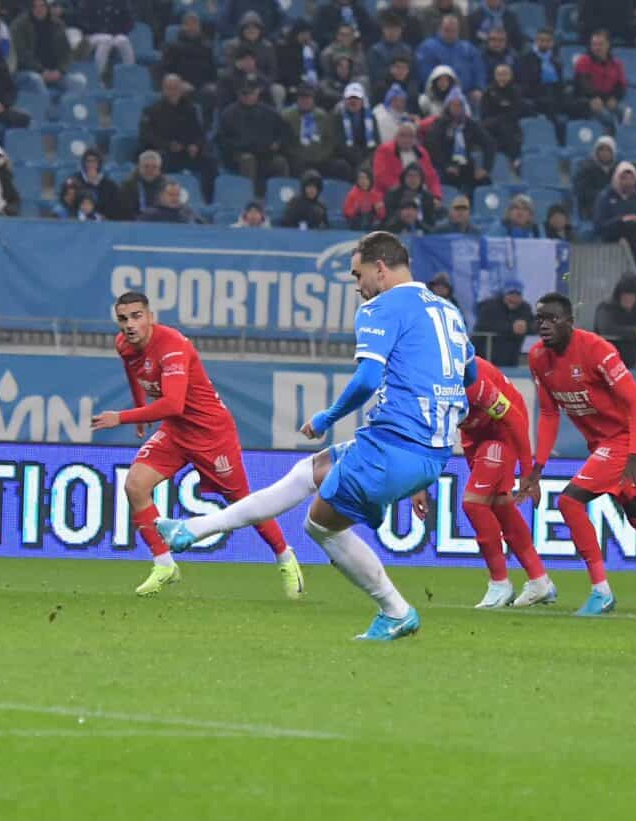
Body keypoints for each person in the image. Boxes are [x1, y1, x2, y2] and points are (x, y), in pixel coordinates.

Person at [156, 232, 476, 641]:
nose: (357, 286)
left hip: (395, 444)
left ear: (380, 269)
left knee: (320, 527)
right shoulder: (449, 312)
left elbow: (366, 380)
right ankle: (193, 530)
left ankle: (395, 610)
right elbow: (469, 375)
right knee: (307, 472)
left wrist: (327, 417)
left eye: (358, 275)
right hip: (430, 450)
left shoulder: (381, 307)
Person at [90, 291, 303, 599]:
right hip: (176, 433)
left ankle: (285, 557)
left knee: (242, 503)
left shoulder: (172, 347)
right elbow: (133, 372)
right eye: (123, 319)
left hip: (210, 434)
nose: (130, 325)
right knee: (135, 485)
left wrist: (121, 417)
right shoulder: (123, 344)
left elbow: (174, 404)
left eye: (137, 316)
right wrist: (139, 414)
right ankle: (164, 565)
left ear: (151, 317)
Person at [518, 293, 636, 616]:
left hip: (626, 438)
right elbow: (549, 415)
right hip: (603, 444)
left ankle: (601, 592)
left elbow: (635, 403)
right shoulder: (538, 358)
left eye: (552, 319)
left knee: (568, 501)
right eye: (540, 319)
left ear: (570, 322)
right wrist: (538, 466)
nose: (544, 325)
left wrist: (634, 455)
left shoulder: (597, 350)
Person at [426, 355, 555, 610]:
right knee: (500, 506)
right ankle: (540, 580)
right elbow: (429, 434)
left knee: (474, 503)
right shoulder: (424, 383)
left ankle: (500, 584)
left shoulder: (473, 381)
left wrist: (528, 472)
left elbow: (514, 419)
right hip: (474, 433)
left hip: (501, 429)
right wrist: (419, 485)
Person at [217, 74, 289, 194]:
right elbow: (222, 140)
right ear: (239, 94)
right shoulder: (228, 114)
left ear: (257, 92)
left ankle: (281, 196)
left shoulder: (269, 112)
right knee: (248, 159)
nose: (247, 96)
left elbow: (284, 132)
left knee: (280, 162)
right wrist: (241, 147)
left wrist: (278, 143)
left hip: (265, 154)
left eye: (251, 93)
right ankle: (248, 196)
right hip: (239, 155)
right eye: (244, 93)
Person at [422, 89, 493, 196]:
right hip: (446, 167)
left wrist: (486, 168)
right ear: (448, 106)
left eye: (459, 105)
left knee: (485, 182)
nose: (457, 108)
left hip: (467, 167)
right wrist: (445, 166)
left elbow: (489, 143)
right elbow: (432, 146)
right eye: (453, 105)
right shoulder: (440, 124)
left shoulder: (470, 124)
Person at [594, 273, 636, 368]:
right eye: (625, 296)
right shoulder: (606, 308)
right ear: (619, 296)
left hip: (631, 364)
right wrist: (634, 331)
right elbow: (606, 328)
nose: (629, 300)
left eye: (632, 297)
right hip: (607, 363)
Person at [472, 278, 532, 367]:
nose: (514, 298)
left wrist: (526, 327)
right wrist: (511, 328)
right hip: (486, 356)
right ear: (504, 294)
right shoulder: (489, 307)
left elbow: (534, 324)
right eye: (510, 294)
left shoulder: (525, 308)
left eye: (518, 295)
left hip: (511, 357)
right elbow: (483, 325)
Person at [11, 0, 71, 89]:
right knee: (36, 79)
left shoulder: (58, 24)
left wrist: (60, 71)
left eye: (42, 6)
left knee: (79, 81)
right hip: (28, 72)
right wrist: (41, 71)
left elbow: (66, 53)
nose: (39, 9)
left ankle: (59, 100)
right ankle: (45, 101)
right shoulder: (19, 25)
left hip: (55, 72)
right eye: (35, 6)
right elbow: (22, 54)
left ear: (47, 7)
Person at [77, 0, 136, 76]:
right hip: (93, 35)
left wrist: (118, 32)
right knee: (105, 40)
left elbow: (129, 22)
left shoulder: (121, 2)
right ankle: (99, 77)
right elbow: (83, 21)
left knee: (124, 41)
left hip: (115, 35)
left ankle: (129, 75)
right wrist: (100, 30)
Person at [573, 135, 617, 220]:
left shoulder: (617, 169)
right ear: (596, 152)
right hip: (592, 207)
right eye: (601, 150)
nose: (605, 153)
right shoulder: (586, 168)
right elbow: (582, 192)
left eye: (608, 150)